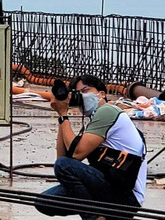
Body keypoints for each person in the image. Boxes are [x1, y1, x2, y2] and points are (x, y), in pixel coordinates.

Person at [36, 75, 147, 218]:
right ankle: (102, 215)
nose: (82, 96)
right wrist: (62, 115)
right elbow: (64, 156)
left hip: (127, 196)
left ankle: (93, 217)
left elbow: (76, 155)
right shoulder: (93, 121)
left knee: (64, 165)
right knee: (46, 201)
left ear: (101, 94)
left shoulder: (108, 111)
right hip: (111, 186)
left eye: (85, 91)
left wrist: (63, 115)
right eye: (78, 93)